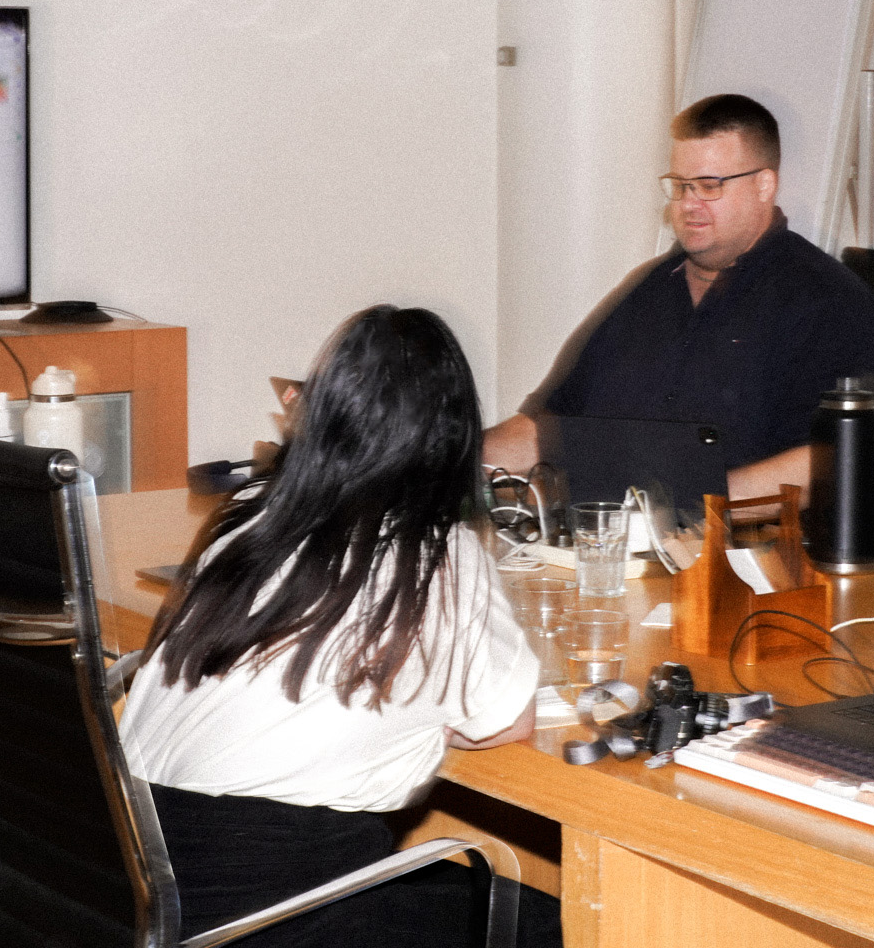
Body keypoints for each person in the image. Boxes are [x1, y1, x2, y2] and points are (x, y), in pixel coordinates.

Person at [119, 305, 553, 947]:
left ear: (316, 416)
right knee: (566, 924)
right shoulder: (435, 555)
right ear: (456, 439)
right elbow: (507, 724)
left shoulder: (244, 521)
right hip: (274, 913)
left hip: (134, 891)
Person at [484, 93, 874, 500]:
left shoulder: (829, 303)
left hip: (747, 552)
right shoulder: (648, 289)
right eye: (680, 186)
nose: (688, 204)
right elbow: (549, 429)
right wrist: (448, 460)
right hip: (619, 541)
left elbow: (835, 461)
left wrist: (688, 510)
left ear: (764, 185)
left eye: (709, 186)